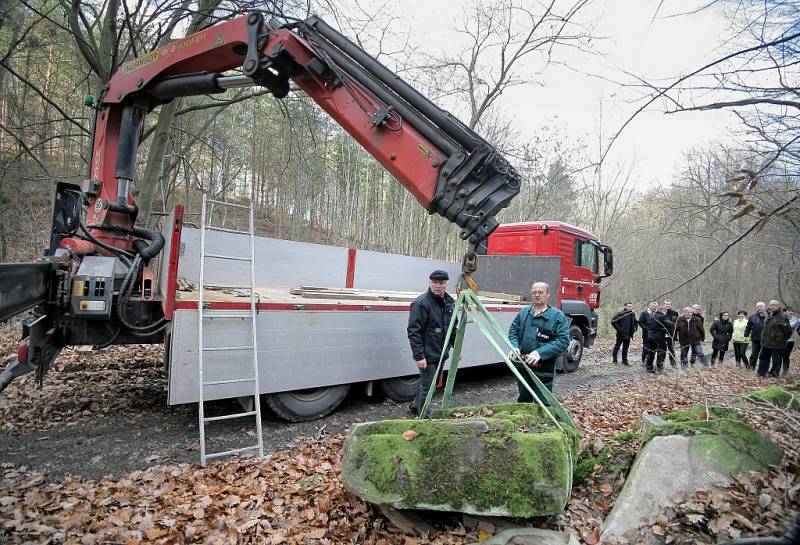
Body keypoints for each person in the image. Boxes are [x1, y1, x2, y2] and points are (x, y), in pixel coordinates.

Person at [508, 282, 570, 403]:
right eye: (534, 292)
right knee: (524, 399)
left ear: (548, 295)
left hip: (544, 369)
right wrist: (514, 347)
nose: (537, 295)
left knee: (543, 401)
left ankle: (543, 421)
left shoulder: (557, 316)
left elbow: (563, 340)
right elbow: (513, 331)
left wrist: (540, 353)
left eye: (540, 292)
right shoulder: (524, 313)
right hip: (523, 365)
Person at [407, 270, 457, 417]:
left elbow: (452, 327)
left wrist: (456, 347)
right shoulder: (421, 303)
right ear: (430, 283)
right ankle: (424, 417)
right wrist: (419, 356)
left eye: (441, 283)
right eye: (434, 283)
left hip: (441, 353)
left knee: (429, 385)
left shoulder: (449, 302)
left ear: (446, 284)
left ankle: (416, 406)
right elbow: (413, 331)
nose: (437, 286)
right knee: (429, 388)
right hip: (427, 355)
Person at [758, 300, 792, 378]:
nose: (772, 306)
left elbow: (788, 332)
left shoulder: (783, 317)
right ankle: (761, 373)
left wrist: (781, 339)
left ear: (778, 306)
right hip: (766, 343)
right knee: (763, 358)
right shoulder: (768, 315)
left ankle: (774, 374)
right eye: (771, 305)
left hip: (777, 344)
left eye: (774, 305)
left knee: (776, 361)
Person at [645, 305, 673, 373]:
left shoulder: (652, 316)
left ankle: (649, 367)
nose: (666, 312)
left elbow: (650, 325)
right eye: (666, 311)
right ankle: (659, 367)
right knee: (661, 351)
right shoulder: (662, 316)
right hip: (659, 337)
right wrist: (673, 326)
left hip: (650, 336)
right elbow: (669, 324)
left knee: (651, 352)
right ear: (664, 311)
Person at [745, 302, 767, 370]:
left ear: (764, 307)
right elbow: (748, 326)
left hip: (765, 340)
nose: (759, 308)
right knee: (754, 355)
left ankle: (762, 369)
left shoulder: (768, 316)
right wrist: (746, 335)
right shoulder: (753, 316)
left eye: (761, 306)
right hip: (755, 339)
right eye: (758, 307)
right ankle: (751, 367)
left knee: (764, 356)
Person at [782, 307, 799, 376]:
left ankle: (785, 371)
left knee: (785, 355)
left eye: (791, 311)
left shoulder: (796, 320)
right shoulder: (781, 319)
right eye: (789, 311)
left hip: (790, 340)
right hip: (781, 340)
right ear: (785, 312)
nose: (790, 312)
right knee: (780, 355)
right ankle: (776, 370)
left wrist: (784, 325)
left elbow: (791, 326)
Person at [663, 300, 679, 367]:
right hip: (662, 334)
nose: (667, 305)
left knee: (672, 349)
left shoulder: (675, 313)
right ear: (664, 305)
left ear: (671, 305)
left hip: (671, 334)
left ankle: (673, 363)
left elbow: (677, 324)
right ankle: (661, 363)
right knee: (662, 349)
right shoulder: (662, 313)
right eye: (666, 304)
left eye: (669, 304)